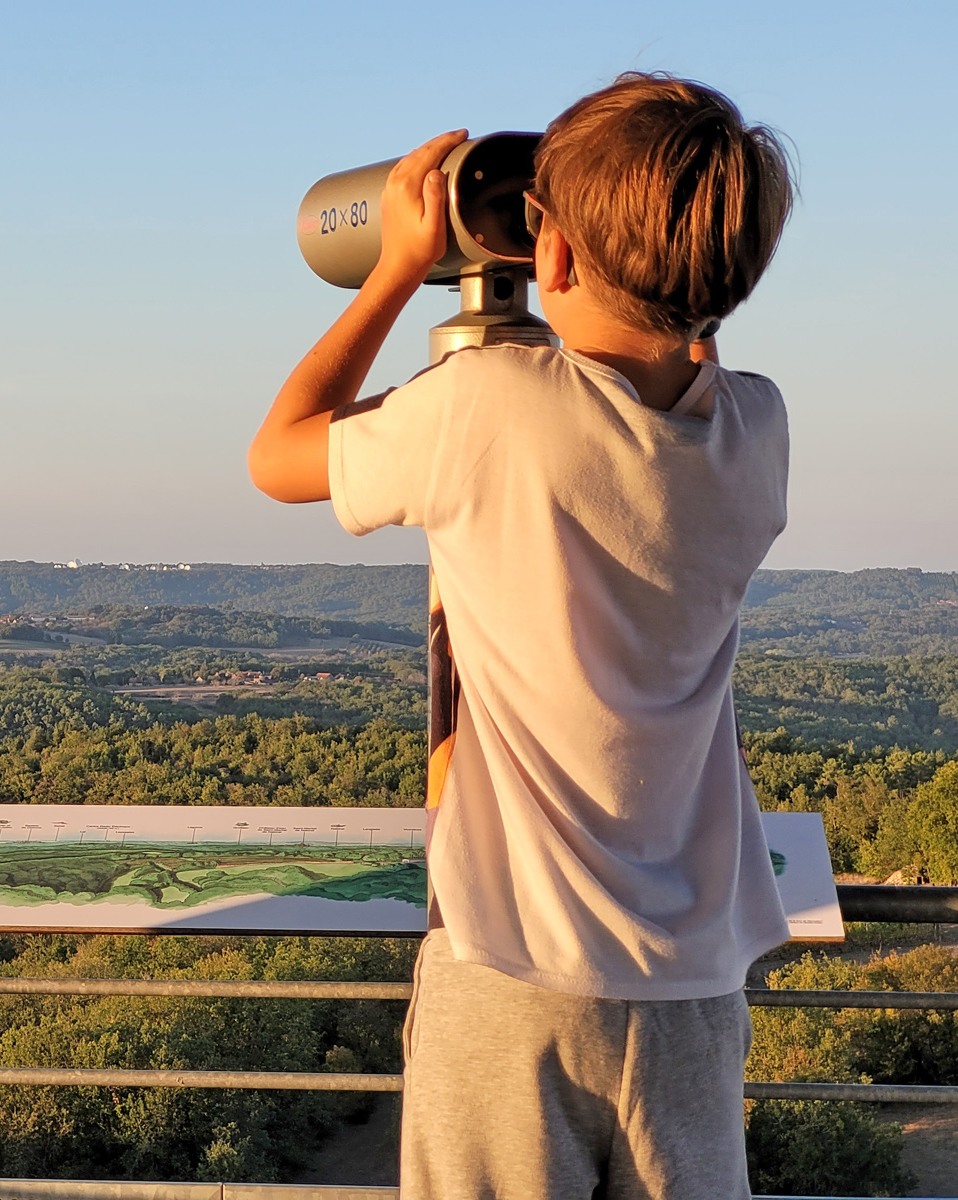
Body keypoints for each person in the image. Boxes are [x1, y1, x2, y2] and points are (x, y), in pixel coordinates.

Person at [248, 74, 796, 1199]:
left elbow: (279, 452)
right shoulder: (757, 430)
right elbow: (648, 374)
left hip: (513, 973)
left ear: (549, 261)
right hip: (695, 988)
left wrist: (401, 266)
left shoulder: (484, 405)